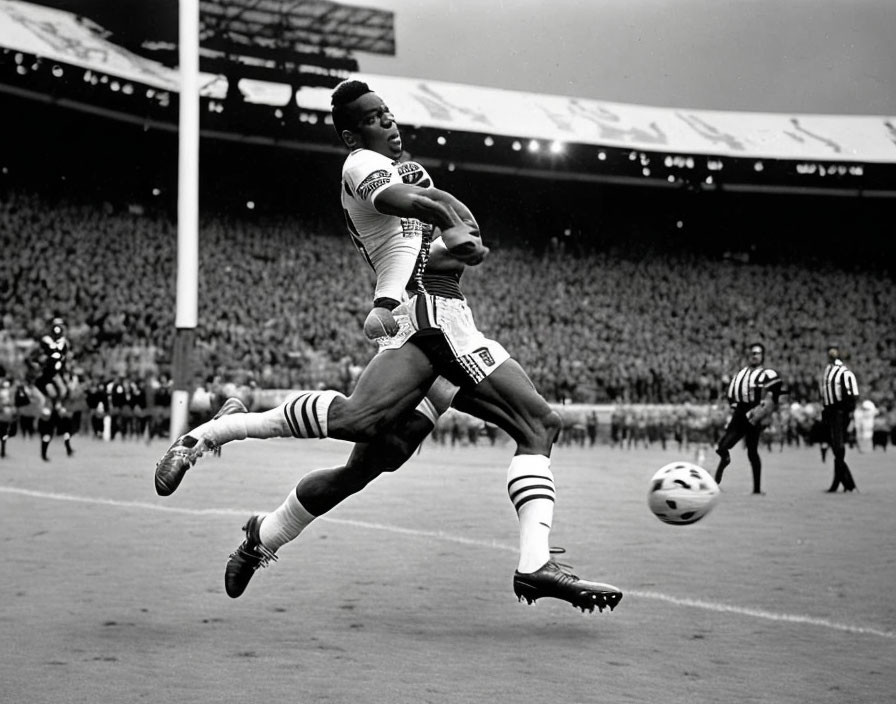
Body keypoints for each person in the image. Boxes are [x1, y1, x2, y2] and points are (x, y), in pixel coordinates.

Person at [155, 79, 622, 614]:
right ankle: (208, 434)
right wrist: (450, 223)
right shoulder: (360, 167)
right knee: (525, 422)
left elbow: (445, 209)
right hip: (428, 318)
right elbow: (417, 204)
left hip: (445, 317)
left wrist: (456, 225)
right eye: (376, 118)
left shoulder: (411, 173)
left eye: (390, 114)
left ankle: (263, 535)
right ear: (354, 134)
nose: (390, 123)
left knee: (373, 457)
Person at [713, 343, 783, 494]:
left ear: (763, 356)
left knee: (752, 452)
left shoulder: (766, 373)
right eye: (752, 353)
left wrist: (764, 410)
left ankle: (756, 488)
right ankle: (724, 461)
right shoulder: (741, 373)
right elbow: (731, 392)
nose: (754, 355)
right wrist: (732, 405)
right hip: (739, 413)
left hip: (754, 413)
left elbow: (775, 394)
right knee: (722, 446)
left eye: (758, 353)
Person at [820, 345, 859, 493]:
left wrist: (849, 412)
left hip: (839, 412)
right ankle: (840, 483)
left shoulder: (844, 373)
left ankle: (846, 483)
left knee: (838, 447)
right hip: (830, 412)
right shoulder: (827, 371)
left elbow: (851, 395)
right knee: (835, 448)